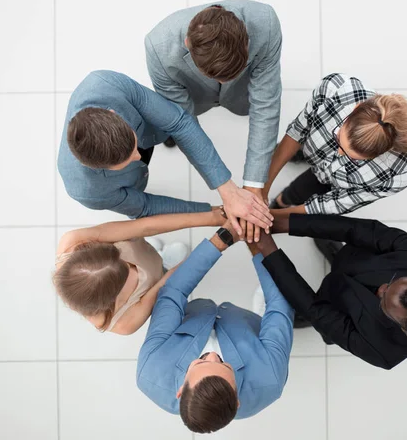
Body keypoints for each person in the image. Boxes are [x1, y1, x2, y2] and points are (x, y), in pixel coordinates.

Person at [57, 70, 272, 238]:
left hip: (150, 129)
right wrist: (217, 212)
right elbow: (145, 206)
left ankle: (160, 135)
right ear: (98, 168)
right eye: (125, 162)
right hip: (129, 183)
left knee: (171, 123)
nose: (138, 157)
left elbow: (179, 122)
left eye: (133, 145)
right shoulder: (88, 191)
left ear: (114, 114)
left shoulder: (105, 84)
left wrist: (229, 191)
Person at [136, 221, 294, 433]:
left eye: (201, 363)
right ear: (237, 400)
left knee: (163, 288)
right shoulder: (270, 378)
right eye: (225, 365)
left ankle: (163, 265)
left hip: (194, 313)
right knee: (276, 309)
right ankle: (261, 316)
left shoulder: (151, 369)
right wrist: (256, 240)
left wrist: (224, 238)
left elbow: (173, 294)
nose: (211, 355)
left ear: (181, 390)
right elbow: (280, 303)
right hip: (246, 326)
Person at [145, 0, 282, 243]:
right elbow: (183, 123)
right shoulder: (159, 47)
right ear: (188, 44)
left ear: (246, 41)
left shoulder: (266, 22)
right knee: (176, 125)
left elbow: (265, 104)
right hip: (194, 100)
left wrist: (253, 185)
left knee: (252, 110)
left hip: (241, 98)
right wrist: (226, 189)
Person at [255, 214, 407, 370]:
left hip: (336, 309)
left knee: (316, 317)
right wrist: (282, 224)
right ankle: (335, 256)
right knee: (344, 255)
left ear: (405, 329)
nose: (381, 288)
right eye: (394, 281)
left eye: (383, 300)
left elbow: (315, 309)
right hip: (353, 259)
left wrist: (267, 248)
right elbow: (356, 229)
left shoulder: (382, 350)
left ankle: (300, 318)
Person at [264, 72, 407, 222]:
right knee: (302, 147)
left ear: (376, 155)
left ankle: (282, 201)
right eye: (337, 137)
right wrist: (262, 189)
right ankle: (301, 153)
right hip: (312, 146)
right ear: (355, 108)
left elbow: (334, 204)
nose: (338, 152)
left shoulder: (397, 175)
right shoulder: (335, 90)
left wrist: (272, 215)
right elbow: (298, 131)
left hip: (328, 181)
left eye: (352, 157)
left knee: (298, 191)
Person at [53, 206, 226, 335]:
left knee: (150, 255)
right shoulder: (123, 322)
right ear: (114, 295)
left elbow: (144, 226)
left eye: (117, 255)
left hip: (144, 252)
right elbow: (167, 284)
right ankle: (163, 262)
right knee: (161, 273)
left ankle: (159, 256)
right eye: (125, 268)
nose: (127, 262)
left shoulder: (73, 242)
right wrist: (217, 241)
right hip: (156, 280)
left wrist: (214, 217)